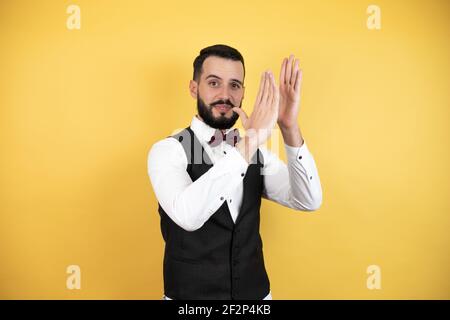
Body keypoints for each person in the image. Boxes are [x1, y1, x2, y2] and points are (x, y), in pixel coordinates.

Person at [147, 44, 322, 300]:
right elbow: (188, 215)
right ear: (194, 88)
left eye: (235, 85)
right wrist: (249, 142)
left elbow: (308, 200)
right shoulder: (167, 151)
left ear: (243, 93)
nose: (225, 95)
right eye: (214, 83)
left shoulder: (257, 154)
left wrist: (288, 126)